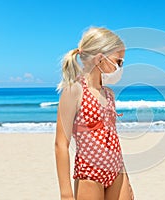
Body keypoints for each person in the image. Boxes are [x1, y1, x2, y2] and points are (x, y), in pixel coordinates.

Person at [55, 27, 134, 200]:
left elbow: (112, 137)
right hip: (90, 174)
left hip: (116, 170)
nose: (120, 67)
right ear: (100, 58)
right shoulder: (74, 91)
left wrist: (125, 176)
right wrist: (66, 194)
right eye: (118, 62)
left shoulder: (109, 94)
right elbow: (61, 144)